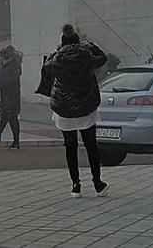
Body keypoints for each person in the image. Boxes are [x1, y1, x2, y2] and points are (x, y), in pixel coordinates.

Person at [41, 24, 109, 198]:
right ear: (79, 42)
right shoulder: (86, 56)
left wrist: (57, 51)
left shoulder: (57, 59)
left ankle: (75, 185)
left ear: (62, 43)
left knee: (70, 147)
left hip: (64, 108)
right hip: (86, 106)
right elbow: (103, 58)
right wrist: (91, 46)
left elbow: (46, 66)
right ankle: (98, 183)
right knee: (91, 146)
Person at [0, 45, 22, 148]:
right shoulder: (12, 66)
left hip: (10, 97)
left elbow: (7, 82)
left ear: (5, 57)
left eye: (1, 57)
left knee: (12, 119)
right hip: (10, 97)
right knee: (5, 116)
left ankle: (16, 140)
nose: (0, 59)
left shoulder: (9, 68)